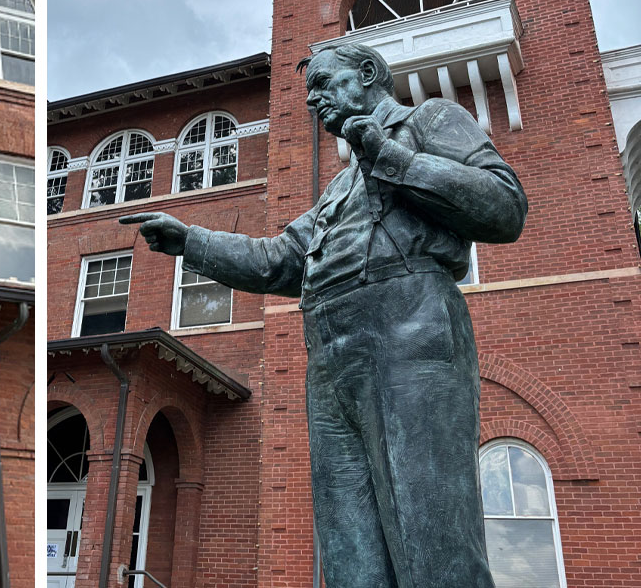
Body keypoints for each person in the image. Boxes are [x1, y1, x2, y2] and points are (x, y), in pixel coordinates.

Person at [122, 43, 526, 587]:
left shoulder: (428, 120)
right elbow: (276, 261)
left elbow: (504, 207)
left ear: (366, 75)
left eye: (323, 85)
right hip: (332, 359)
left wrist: (394, 158)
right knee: (347, 548)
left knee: (431, 538)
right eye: (308, 91)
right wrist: (191, 241)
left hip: (410, 336)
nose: (312, 100)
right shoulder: (338, 189)